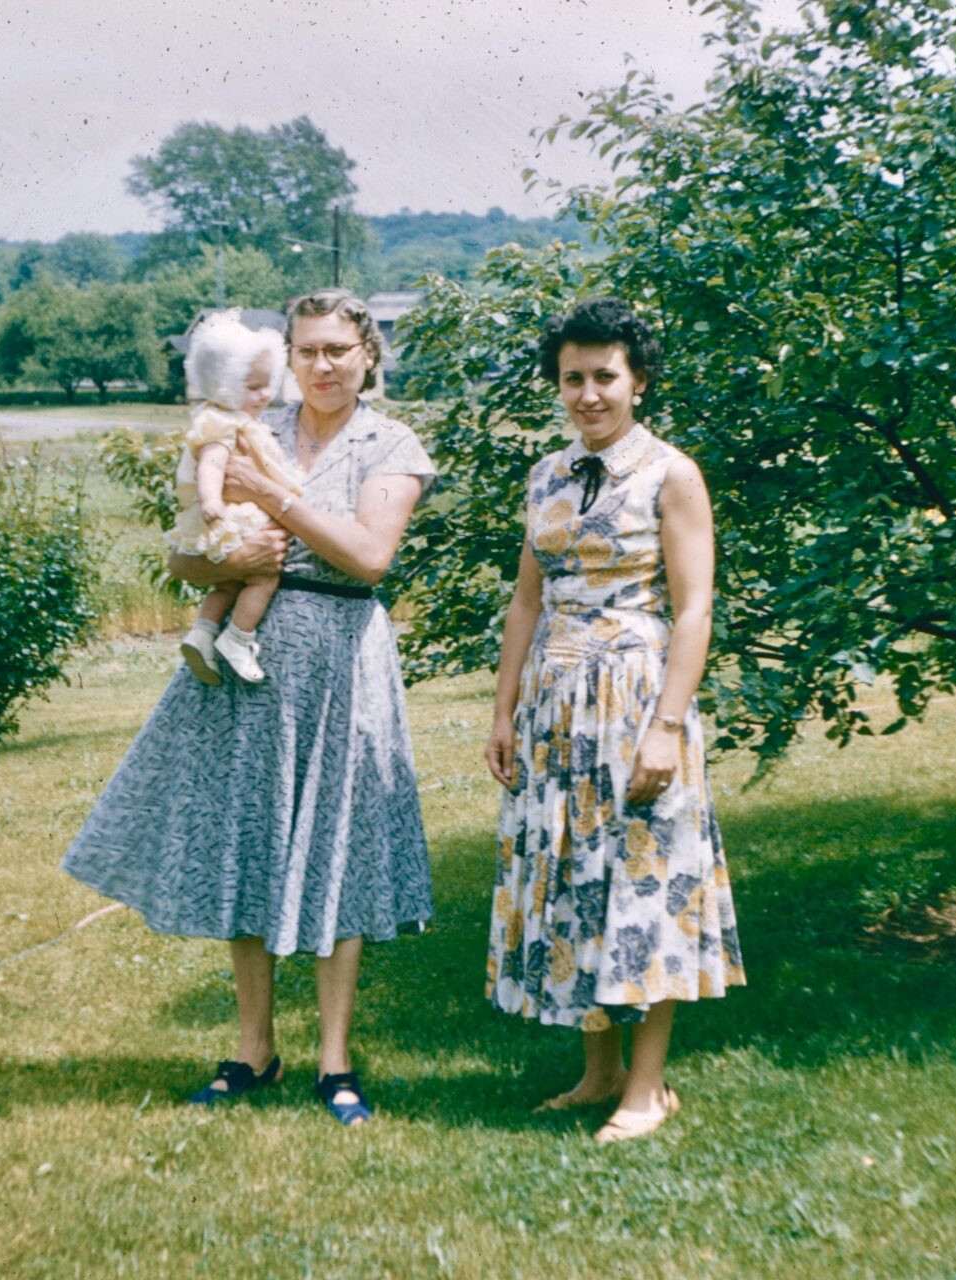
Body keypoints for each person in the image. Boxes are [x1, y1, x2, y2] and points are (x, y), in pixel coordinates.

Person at [61, 288, 437, 1126]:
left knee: (338, 848)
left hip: (339, 662)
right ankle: (253, 1048)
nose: (323, 365)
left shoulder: (392, 443)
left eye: (339, 349)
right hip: (247, 660)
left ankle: (335, 1060)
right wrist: (216, 552)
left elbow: (371, 557)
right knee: (249, 839)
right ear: (287, 356)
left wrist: (273, 505)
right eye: (307, 351)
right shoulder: (247, 421)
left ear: (368, 354)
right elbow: (187, 556)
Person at [484, 297, 744, 1143]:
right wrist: (504, 708)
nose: (589, 394)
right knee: (572, 879)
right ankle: (597, 1074)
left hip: (634, 699)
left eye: (606, 376)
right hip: (556, 707)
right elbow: (527, 599)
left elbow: (696, 605)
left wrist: (667, 724)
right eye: (573, 378)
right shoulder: (546, 476)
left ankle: (647, 1085)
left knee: (644, 881)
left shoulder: (672, 472)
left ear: (637, 381)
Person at [166, 311, 301, 684]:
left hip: (236, 513)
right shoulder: (223, 424)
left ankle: (203, 632)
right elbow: (211, 464)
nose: (266, 394)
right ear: (224, 385)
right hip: (235, 515)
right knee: (262, 576)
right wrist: (211, 501)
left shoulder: (235, 420)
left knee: (228, 583)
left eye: (267, 384)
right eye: (253, 387)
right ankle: (239, 637)